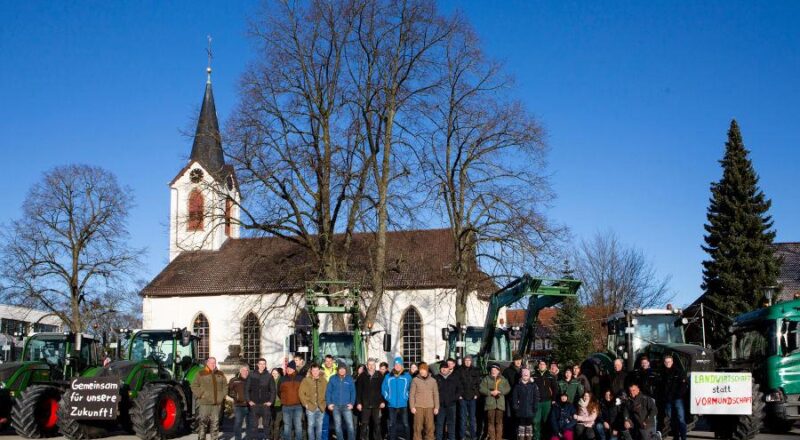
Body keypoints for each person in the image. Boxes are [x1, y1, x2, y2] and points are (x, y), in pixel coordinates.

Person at [191, 357, 227, 440]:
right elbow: (194, 386)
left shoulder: (220, 374)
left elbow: (225, 386)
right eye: (211, 363)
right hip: (205, 403)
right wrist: (201, 395)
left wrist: (223, 395)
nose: (213, 364)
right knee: (203, 423)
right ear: (207, 363)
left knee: (215, 423)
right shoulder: (201, 373)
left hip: (216, 404)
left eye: (214, 363)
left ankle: (214, 438)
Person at [383, 356, 412, 440]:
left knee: (405, 424)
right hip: (392, 405)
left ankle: (407, 438)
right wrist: (388, 398)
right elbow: (384, 388)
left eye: (399, 364)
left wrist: (406, 396)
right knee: (392, 424)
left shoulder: (407, 376)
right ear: (394, 366)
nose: (397, 366)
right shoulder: (388, 376)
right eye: (396, 365)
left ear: (402, 365)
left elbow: (411, 388)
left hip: (403, 404)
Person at [480, 363, 511, 440]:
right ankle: (492, 438)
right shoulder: (486, 379)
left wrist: (500, 391)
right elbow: (481, 389)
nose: (493, 371)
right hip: (490, 404)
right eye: (492, 370)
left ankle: (499, 438)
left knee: (499, 422)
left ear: (498, 371)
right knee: (490, 422)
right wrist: (490, 392)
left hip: (500, 404)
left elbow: (508, 388)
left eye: (495, 370)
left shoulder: (503, 379)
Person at [659, 355, 687, 440]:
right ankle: (676, 436)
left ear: (672, 362)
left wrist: (678, 395)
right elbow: (660, 387)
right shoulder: (662, 373)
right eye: (666, 362)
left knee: (681, 418)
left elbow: (683, 386)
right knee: (671, 419)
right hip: (668, 399)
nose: (668, 363)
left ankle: (683, 437)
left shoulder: (678, 372)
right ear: (664, 363)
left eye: (669, 362)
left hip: (677, 399)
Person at [248, 358, 276, 440]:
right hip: (254, 404)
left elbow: (273, 390)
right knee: (254, 425)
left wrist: (270, 401)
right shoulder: (252, 375)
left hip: (265, 405)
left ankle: (267, 438)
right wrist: (249, 400)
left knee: (266, 425)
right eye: (260, 364)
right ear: (257, 365)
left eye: (264, 364)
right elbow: (247, 389)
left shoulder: (269, 376)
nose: (262, 365)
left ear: (265, 365)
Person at [357, 359, 385, 440]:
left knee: (377, 424)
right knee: (364, 424)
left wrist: (382, 401)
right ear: (366, 365)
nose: (371, 366)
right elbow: (359, 390)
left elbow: (383, 390)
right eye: (369, 364)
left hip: (377, 404)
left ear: (375, 365)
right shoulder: (362, 376)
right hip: (365, 404)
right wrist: (358, 403)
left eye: (373, 364)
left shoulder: (379, 375)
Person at [410, 362, 439, 440]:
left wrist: (436, 407)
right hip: (418, 407)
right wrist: (412, 407)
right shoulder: (415, 380)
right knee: (417, 427)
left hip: (430, 407)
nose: (421, 371)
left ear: (426, 370)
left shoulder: (433, 381)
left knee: (430, 427)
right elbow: (412, 395)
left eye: (423, 369)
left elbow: (436, 395)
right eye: (420, 370)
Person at [327, 363, 356, 440]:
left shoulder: (349, 379)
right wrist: (329, 403)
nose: (342, 370)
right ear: (338, 370)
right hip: (335, 406)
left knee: (350, 425)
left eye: (343, 369)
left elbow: (353, 392)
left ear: (346, 370)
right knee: (337, 426)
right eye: (340, 369)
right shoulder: (332, 378)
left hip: (347, 406)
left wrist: (352, 403)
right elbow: (328, 392)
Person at [299, 363, 328, 440]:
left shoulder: (324, 381)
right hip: (310, 407)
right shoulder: (306, 380)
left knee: (319, 426)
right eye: (313, 370)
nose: (315, 372)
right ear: (311, 371)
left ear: (319, 371)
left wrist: (325, 403)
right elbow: (301, 393)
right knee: (311, 426)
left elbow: (328, 393)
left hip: (321, 407)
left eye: (316, 370)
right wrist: (305, 404)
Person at [532, 360, 559, 440]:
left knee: (546, 420)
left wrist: (553, 399)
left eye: (543, 364)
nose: (541, 365)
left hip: (547, 401)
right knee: (536, 421)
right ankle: (537, 437)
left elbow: (555, 389)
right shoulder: (533, 376)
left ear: (546, 366)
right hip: (536, 402)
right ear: (538, 366)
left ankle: (546, 437)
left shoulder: (550, 376)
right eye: (540, 364)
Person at [435, 362, 461, 440]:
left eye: (445, 368)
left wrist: (454, 398)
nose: (444, 369)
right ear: (440, 369)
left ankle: (451, 438)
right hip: (440, 405)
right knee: (439, 424)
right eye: (442, 368)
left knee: (451, 424)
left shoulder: (454, 377)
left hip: (451, 405)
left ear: (448, 369)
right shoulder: (436, 378)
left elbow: (459, 389)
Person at [279, 361, 305, 440]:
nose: (288, 370)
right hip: (286, 406)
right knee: (287, 425)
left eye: (290, 368)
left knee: (298, 425)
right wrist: (284, 399)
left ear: (294, 369)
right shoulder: (282, 379)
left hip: (298, 406)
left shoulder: (300, 378)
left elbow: (304, 391)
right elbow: (278, 391)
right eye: (287, 368)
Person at [511, 368, 539, 440]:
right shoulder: (518, 386)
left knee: (529, 425)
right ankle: (521, 438)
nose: (525, 376)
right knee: (521, 425)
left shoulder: (533, 385)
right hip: (520, 410)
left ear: (529, 376)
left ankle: (529, 438)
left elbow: (536, 397)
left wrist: (535, 406)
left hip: (530, 409)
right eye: (524, 374)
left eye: (527, 375)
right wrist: (515, 406)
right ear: (522, 375)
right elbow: (514, 397)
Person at [458, 355, 482, 440]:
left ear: (471, 361)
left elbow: (478, 383)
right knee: (463, 419)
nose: (467, 362)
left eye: (469, 360)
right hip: (463, 398)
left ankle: (473, 436)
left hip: (472, 397)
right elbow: (458, 384)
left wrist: (476, 394)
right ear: (464, 361)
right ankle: (462, 436)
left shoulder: (476, 370)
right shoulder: (460, 370)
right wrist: (459, 395)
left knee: (472, 419)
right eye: (466, 360)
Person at [229, 365, 251, 440]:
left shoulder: (252, 380)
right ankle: (238, 438)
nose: (245, 372)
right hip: (239, 406)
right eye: (243, 370)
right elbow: (229, 390)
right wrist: (236, 396)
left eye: (247, 370)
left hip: (250, 406)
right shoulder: (234, 380)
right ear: (240, 371)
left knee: (250, 424)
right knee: (238, 424)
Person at [271, 368, 285, 440]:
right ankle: (271, 437)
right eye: (273, 373)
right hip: (270, 405)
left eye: (276, 373)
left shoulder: (282, 380)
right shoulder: (269, 381)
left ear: (278, 374)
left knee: (277, 423)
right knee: (271, 423)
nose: (274, 374)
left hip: (279, 404)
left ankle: (276, 438)